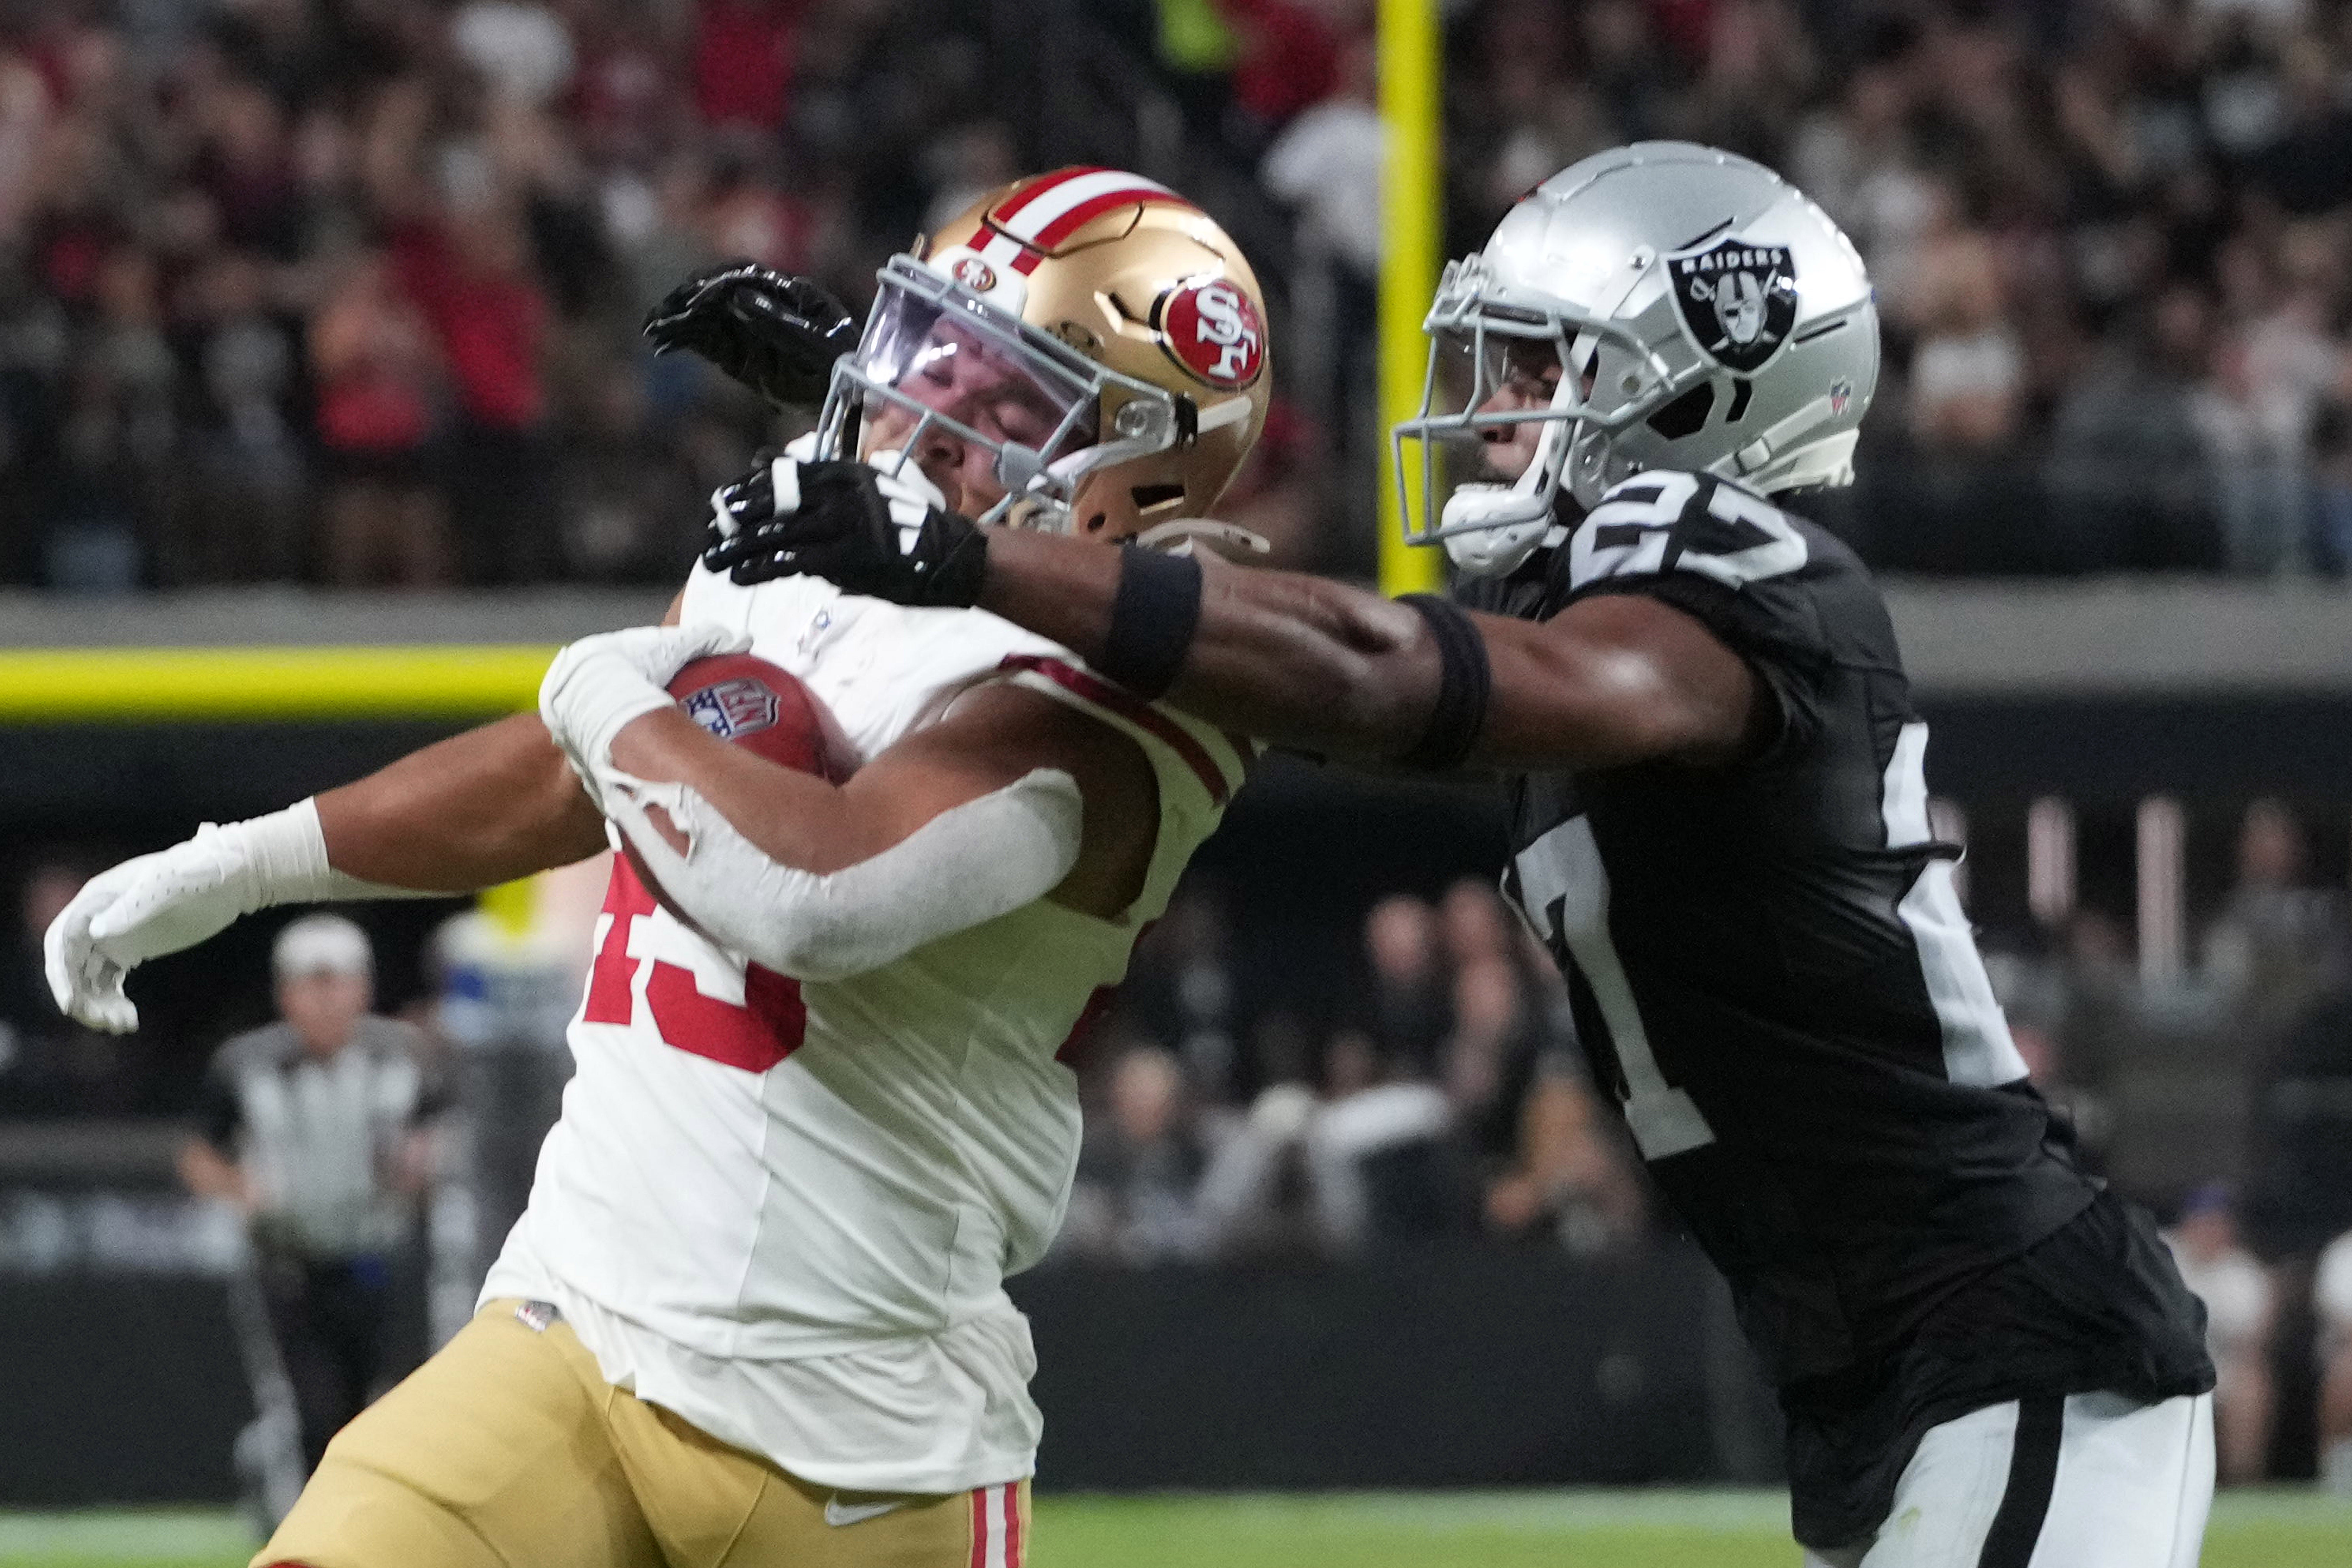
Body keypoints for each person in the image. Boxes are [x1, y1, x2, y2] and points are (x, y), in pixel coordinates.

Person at [711, 142, 2217, 1567]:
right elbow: (1288, 662)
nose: (1492, 407)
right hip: (1887, 1360)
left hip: (2015, 1335)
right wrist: (902, 409)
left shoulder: (1731, 576)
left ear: (1706, 386)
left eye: (1539, 364)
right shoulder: (1598, 599)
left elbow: (1378, 678)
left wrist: (960, 552)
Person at [46, 167, 1268, 1568]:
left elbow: (812, 895)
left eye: (1008, 400)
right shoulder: (823, 531)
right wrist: (238, 867)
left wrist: (594, 680)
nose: (929, 414)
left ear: (1140, 471)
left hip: (856, 1449)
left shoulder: (1135, 693)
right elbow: (592, 775)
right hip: (573, 1329)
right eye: (939, 349)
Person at [181, 916, 444, 1475]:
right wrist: (242, 1189)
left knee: (394, 1410)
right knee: (312, 1415)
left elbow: (444, 1131)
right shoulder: (247, 1065)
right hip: (291, 1266)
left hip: (383, 1260)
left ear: (363, 988)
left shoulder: (403, 1056)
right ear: (285, 993)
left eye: (338, 982)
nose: (326, 1001)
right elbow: (199, 1153)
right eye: (311, 984)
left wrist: (424, 1162)